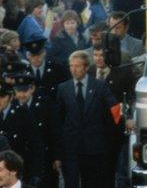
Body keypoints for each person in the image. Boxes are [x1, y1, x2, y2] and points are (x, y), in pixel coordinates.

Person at [52, 50, 119, 188]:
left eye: (77, 66)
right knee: (71, 182)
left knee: (92, 182)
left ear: (86, 67)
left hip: (94, 147)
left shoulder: (99, 86)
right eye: (71, 66)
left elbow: (114, 110)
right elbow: (59, 119)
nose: (74, 69)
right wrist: (58, 151)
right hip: (71, 147)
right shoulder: (63, 89)